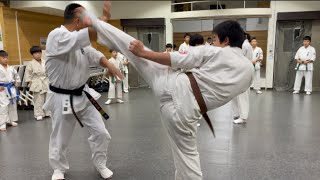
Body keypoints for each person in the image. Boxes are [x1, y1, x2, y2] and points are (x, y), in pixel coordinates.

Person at [84, 10, 253, 179]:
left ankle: (96, 24)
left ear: (226, 40)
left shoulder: (216, 52)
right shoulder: (249, 72)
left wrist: (143, 53)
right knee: (186, 157)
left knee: (134, 49)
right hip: (188, 113)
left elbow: (180, 59)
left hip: (171, 85)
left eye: (215, 39)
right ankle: (98, 25)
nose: (213, 43)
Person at [44, 2, 123, 180]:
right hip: (61, 97)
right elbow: (88, 35)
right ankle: (58, 168)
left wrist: (109, 64)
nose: (90, 20)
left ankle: (100, 164)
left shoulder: (79, 39)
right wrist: (102, 20)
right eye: (87, 17)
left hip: (84, 95)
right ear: (78, 20)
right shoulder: (56, 35)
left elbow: (94, 55)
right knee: (60, 138)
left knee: (101, 133)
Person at [232, 32, 253, 124]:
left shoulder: (245, 45)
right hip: (242, 72)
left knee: (242, 95)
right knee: (237, 95)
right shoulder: (244, 45)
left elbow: (240, 59)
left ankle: (243, 117)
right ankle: (238, 114)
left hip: (243, 72)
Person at [25, 46, 50, 120]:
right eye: (35, 53)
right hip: (37, 82)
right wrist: (30, 81)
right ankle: (38, 114)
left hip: (46, 81)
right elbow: (28, 74)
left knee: (47, 98)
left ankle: (47, 112)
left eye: (39, 53)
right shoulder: (31, 63)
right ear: (32, 54)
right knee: (38, 99)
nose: (38, 55)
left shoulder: (45, 62)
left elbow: (48, 72)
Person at [0, 50, 20, 131]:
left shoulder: (11, 68)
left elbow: (17, 77)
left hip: (11, 88)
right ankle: (2, 123)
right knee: (3, 106)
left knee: (12, 105)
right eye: (3, 58)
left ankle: (11, 120)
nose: (5, 59)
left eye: (6, 58)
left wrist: (16, 83)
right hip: (2, 89)